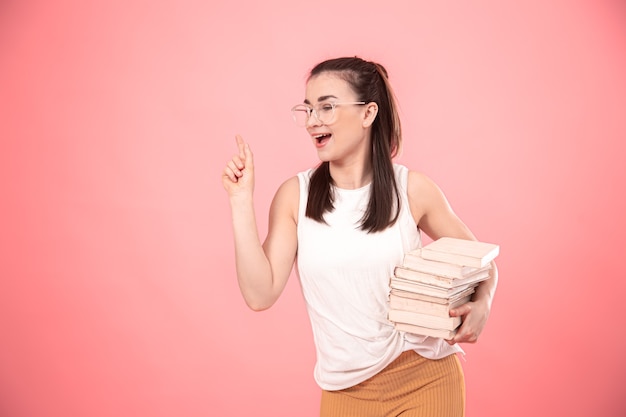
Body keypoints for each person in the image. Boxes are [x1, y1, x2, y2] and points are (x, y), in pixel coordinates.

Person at [222, 56, 498, 417]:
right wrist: (241, 202)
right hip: (344, 391)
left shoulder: (412, 189)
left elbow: (481, 261)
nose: (313, 120)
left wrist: (484, 303)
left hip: (424, 378)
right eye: (308, 109)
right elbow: (260, 295)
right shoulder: (296, 197)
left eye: (327, 107)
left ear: (368, 114)